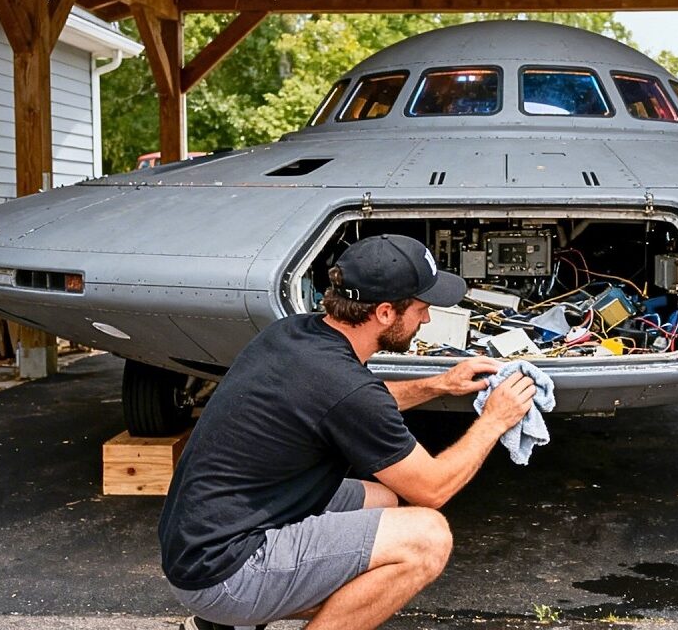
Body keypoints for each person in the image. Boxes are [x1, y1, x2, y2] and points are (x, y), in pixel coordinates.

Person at [159, 234, 537, 630]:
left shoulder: (295, 333)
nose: (426, 320)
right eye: (422, 309)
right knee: (427, 538)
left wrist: (438, 384)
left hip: (196, 540)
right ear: (386, 313)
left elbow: (349, 404)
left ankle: (220, 627)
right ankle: (234, 614)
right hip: (224, 573)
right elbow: (432, 488)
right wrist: (495, 419)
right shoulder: (344, 385)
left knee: (380, 498)